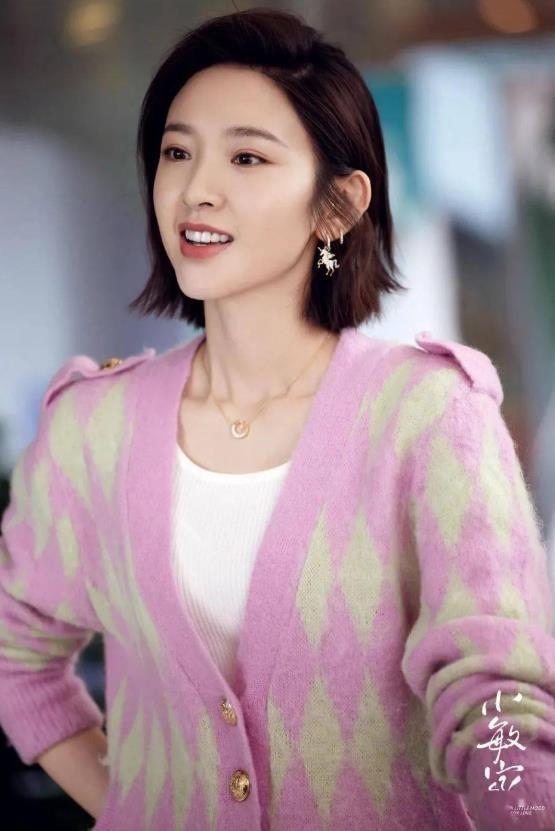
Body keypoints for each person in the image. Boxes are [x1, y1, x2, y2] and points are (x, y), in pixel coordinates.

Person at [1, 8, 554, 831]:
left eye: (246, 157)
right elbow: (16, 656)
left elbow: (498, 694)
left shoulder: (430, 415)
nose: (196, 188)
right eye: (177, 152)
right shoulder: (90, 428)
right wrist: (133, 807)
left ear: (337, 205)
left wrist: (524, 810)